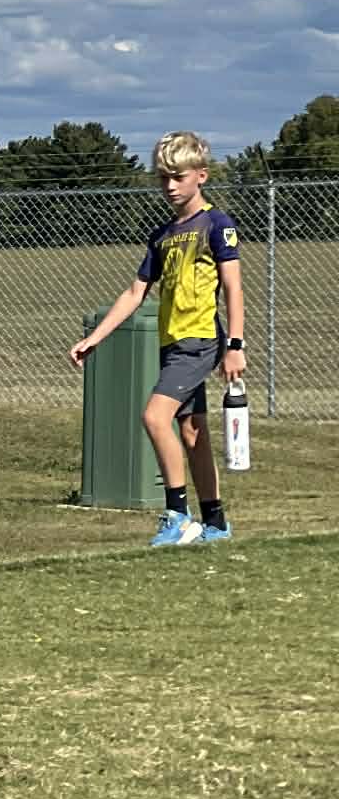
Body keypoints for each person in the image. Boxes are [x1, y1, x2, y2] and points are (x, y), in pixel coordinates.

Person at [69, 130, 246, 546]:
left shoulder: (217, 225)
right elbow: (135, 292)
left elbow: (234, 288)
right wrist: (95, 338)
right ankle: (216, 523)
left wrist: (235, 346)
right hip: (172, 344)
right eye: (163, 177)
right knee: (191, 432)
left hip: (200, 341)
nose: (169, 185)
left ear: (200, 175)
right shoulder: (163, 235)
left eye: (178, 176)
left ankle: (178, 516)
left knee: (153, 417)